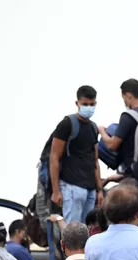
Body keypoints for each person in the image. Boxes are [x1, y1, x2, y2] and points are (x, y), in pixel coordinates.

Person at [49, 85, 104, 224]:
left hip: (90, 188)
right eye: (85, 104)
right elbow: (54, 157)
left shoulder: (93, 127)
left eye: (92, 104)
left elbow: (95, 161)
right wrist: (56, 191)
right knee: (72, 231)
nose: (88, 107)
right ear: (77, 103)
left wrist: (99, 190)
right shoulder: (67, 124)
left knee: (87, 231)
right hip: (71, 185)